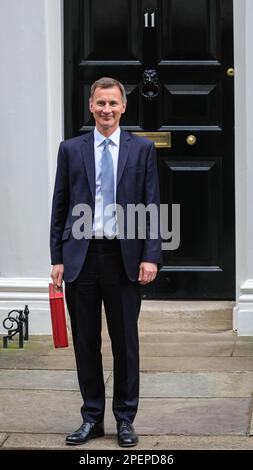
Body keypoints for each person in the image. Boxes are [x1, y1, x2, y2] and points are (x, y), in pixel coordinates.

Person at [50, 77, 162, 447]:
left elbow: (151, 206)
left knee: (125, 342)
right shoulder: (70, 149)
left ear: (124, 107)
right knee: (85, 341)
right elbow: (60, 206)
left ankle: (125, 419)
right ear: (90, 106)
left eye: (113, 103)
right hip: (81, 256)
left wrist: (150, 255)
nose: (107, 110)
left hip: (123, 258)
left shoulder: (141, 150)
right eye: (100, 103)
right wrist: (57, 258)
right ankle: (92, 417)